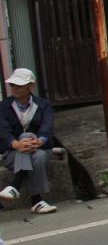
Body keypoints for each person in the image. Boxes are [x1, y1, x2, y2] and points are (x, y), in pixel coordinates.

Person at [0, 68, 60, 214]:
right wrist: (16, 144)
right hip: (12, 152)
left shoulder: (43, 105)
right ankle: (37, 201)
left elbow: (47, 128)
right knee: (34, 153)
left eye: (19, 85)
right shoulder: (3, 107)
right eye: (13, 85)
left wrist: (39, 141)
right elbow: (3, 131)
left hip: (40, 148)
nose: (15, 88)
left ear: (30, 86)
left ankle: (15, 185)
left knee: (37, 152)